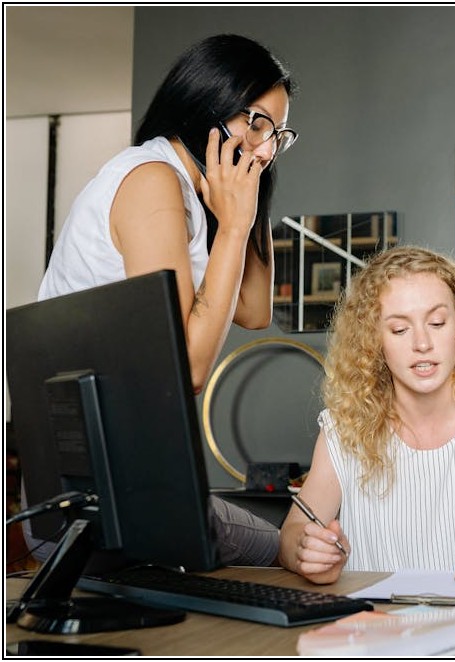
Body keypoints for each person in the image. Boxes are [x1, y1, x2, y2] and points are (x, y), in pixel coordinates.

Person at [29, 34, 299, 567]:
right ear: (208, 106)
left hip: (131, 488)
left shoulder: (194, 191)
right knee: (291, 555)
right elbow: (188, 371)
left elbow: (254, 310)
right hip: (100, 502)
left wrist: (249, 197)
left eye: (279, 134)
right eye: (256, 122)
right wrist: (237, 220)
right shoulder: (152, 181)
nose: (266, 148)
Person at [278, 246, 455, 584]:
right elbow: (290, 536)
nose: (422, 343)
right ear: (374, 337)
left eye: (436, 322)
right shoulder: (345, 429)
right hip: (381, 629)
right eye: (400, 329)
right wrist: (307, 550)